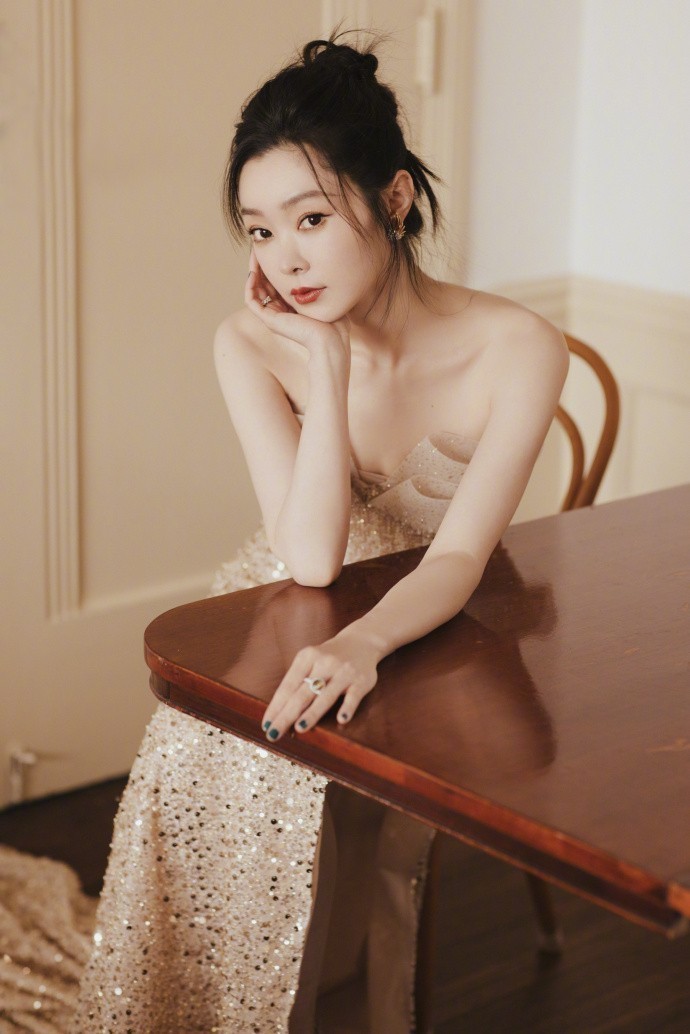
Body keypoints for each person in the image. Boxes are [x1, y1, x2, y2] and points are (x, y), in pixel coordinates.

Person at [69, 30, 568, 1034]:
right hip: (289, 599)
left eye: (310, 218)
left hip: (435, 618)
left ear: (393, 198)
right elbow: (308, 559)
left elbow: (459, 557)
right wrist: (328, 372)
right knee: (214, 750)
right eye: (259, 231)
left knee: (323, 748)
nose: (285, 259)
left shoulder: (518, 347)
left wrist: (366, 640)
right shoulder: (250, 342)